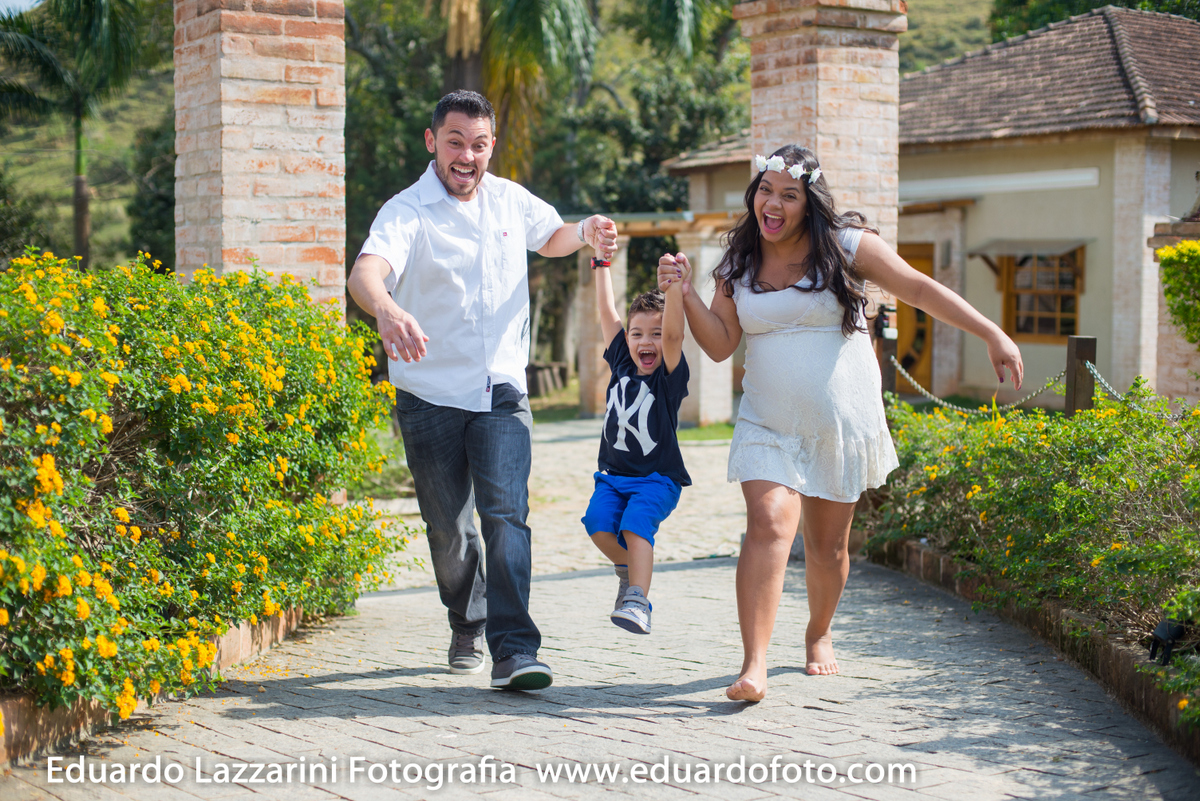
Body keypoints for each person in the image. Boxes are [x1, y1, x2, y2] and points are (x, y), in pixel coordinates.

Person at [657, 144, 1023, 703]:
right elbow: (721, 345)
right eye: (765, 190)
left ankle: (819, 631)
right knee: (769, 523)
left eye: (789, 194)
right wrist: (682, 293)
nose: (773, 203)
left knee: (827, 549)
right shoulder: (736, 264)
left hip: (840, 425)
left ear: (809, 203)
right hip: (766, 422)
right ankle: (753, 666)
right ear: (753, 194)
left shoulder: (847, 247)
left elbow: (919, 289)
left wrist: (992, 332)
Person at [347, 90, 618, 691]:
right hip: (428, 394)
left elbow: (551, 237)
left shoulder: (509, 199)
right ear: (431, 141)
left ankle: (515, 650)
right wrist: (388, 311)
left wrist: (585, 230)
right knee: (449, 530)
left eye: (479, 144)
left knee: (506, 517)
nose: (467, 156)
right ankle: (464, 618)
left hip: (501, 389)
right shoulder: (406, 210)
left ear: (491, 146)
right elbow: (366, 274)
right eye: (455, 142)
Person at [581, 250, 690, 635]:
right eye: (638, 333)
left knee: (635, 524)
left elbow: (675, 333)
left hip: (657, 478)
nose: (646, 341)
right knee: (597, 524)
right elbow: (607, 310)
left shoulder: (668, 377)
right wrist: (601, 263)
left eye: (655, 334)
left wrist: (674, 289)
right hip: (613, 476)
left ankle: (639, 599)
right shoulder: (623, 362)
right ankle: (629, 574)